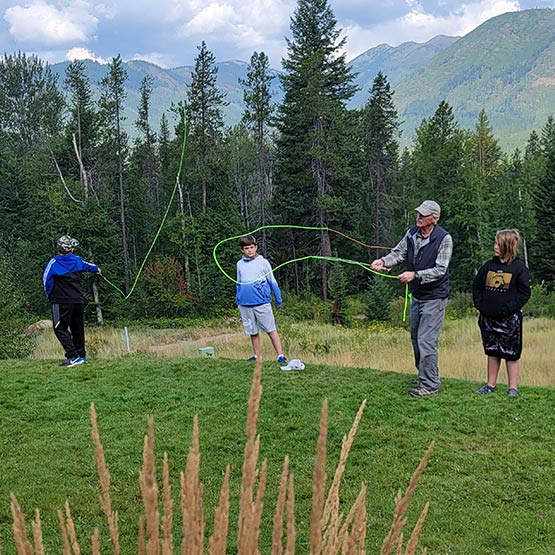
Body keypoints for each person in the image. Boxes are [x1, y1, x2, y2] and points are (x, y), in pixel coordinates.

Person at [370, 200, 452, 397]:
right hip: (418, 295)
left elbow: (440, 270)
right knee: (416, 339)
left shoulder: (444, 239)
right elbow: (398, 253)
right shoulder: (411, 234)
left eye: (423, 215)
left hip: (435, 296)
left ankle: (430, 386)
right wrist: (383, 262)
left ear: (435, 218)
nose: (419, 217)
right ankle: (425, 376)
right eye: (418, 214)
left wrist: (415, 275)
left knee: (426, 341)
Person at [472, 229, 531, 397]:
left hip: (509, 320)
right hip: (487, 318)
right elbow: (476, 286)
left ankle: (513, 388)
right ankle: (491, 385)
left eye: (498, 243)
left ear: (507, 246)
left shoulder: (519, 269)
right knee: (492, 351)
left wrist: (508, 309)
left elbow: (524, 293)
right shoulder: (488, 266)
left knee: (511, 353)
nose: (495, 246)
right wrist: (480, 305)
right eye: (495, 243)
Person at [43, 235, 101, 367]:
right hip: (77, 300)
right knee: (77, 328)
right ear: (70, 249)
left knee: (60, 328)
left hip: (60, 301)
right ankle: (81, 355)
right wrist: (97, 269)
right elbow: (90, 266)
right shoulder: (77, 260)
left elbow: (46, 282)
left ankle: (73, 356)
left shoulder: (53, 263)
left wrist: (50, 297)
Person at [236, 235, 287, 364]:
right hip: (245, 304)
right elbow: (238, 282)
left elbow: (272, 281)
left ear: (256, 247)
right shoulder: (240, 264)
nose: (249, 250)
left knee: (271, 329)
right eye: (246, 248)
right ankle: (257, 356)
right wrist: (238, 298)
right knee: (253, 331)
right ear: (242, 250)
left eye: (252, 247)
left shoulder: (263, 262)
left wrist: (278, 298)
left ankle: (280, 355)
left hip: (262, 302)